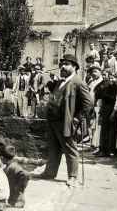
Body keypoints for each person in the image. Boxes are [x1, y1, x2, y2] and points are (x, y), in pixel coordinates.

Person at [33, 54, 92, 188]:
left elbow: (88, 104)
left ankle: (72, 176)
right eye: (62, 64)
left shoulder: (78, 82)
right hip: (53, 121)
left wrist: (76, 119)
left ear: (74, 67)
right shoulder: (61, 81)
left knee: (70, 149)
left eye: (66, 64)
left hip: (66, 121)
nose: (63, 67)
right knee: (53, 148)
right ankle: (50, 172)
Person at [94, 69, 117, 157]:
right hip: (105, 109)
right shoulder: (106, 86)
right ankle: (103, 149)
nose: (111, 80)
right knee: (104, 130)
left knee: (111, 131)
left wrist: (105, 96)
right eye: (110, 78)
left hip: (112, 110)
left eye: (113, 78)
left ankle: (110, 150)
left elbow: (115, 99)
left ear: (116, 78)